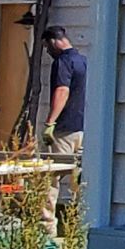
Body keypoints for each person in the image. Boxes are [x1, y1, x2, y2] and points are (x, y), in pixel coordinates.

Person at [40, 23, 86, 157]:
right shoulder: (83, 61)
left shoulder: (62, 62)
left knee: (54, 172)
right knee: (78, 172)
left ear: (54, 42)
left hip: (64, 129)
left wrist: (50, 123)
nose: (48, 51)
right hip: (82, 127)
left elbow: (62, 91)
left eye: (47, 46)